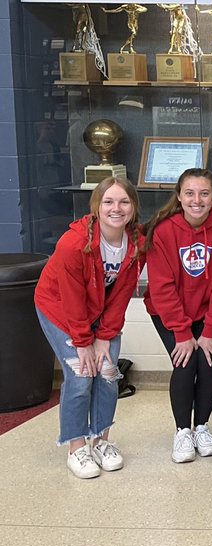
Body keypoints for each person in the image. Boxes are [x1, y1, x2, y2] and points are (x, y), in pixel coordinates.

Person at [35, 177, 142, 479]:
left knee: (107, 372)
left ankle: (101, 441)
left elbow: (122, 293)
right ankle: (76, 447)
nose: (116, 208)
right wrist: (83, 342)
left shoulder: (137, 242)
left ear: (133, 207)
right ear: (96, 206)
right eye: (108, 202)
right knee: (82, 374)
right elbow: (71, 298)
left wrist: (105, 337)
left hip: (101, 311)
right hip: (60, 308)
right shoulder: (73, 243)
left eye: (124, 202)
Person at [143, 168, 212, 463]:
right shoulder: (163, 231)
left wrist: (210, 330)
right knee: (185, 363)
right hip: (169, 311)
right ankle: (182, 431)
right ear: (179, 197)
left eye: (204, 193)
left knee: (208, 362)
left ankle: (202, 428)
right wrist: (182, 333)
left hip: (208, 311)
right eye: (190, 193)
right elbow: (162, 287)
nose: (197, 200)